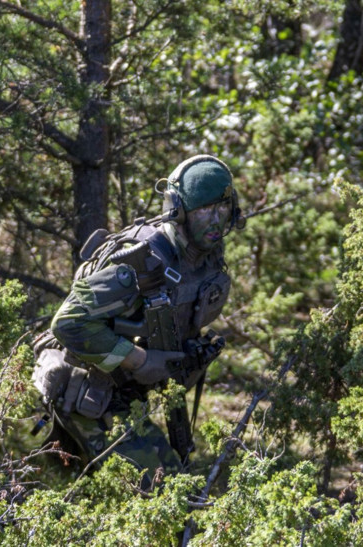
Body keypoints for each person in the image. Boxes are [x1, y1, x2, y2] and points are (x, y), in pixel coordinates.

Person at [32, 155, 244, 482]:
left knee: (115, 482)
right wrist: (138, 359)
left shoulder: (204, 255)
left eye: (223, 207)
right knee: (166, 488)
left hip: (126, 393)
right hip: (90, 391)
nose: (216, 220)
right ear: (178, 210)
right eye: (204, 210)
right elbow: (68, 323)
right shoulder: (141, 263)